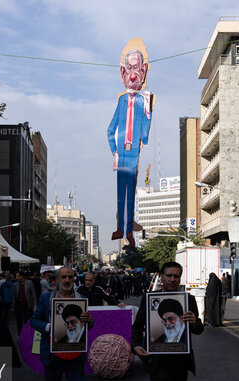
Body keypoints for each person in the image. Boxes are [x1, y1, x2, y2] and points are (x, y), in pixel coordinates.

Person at [30, 266, 100, 381]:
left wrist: (89, 319)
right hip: (53, 355)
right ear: (57, 279)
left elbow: (89, 325)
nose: (67, 280)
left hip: (75, 355)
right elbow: (34, 321)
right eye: (63, 277)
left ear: (74, 278)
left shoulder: (81, 300)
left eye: (70, 277)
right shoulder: (46, 299)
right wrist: (49, 328)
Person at [107, 42, 153, 249]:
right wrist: (114, 151)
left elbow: (144, 134)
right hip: (121, 153)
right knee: (120, 192)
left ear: (143, 72)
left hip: (133, 152)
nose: (133, 75)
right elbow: (111, 128)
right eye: (129, 68)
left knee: (131, 191)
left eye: (137, 69)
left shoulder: (144, 102)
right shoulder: (122, 100)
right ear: (123, 72)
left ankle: (128, 230)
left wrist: (149, 112)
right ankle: (120, 227)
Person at [13, 272, 37, 336]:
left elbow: (33, 294)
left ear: (22, 276)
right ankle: (20, 335)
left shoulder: (29, 283)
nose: (16, 278)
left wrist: (35, 305)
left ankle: (27, 335)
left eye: (18, 276)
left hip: (27, 304)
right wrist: (12, 306)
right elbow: (14, 296)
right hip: (18, 304)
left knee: (27, 321)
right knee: (19, 321)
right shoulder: (15, 284)